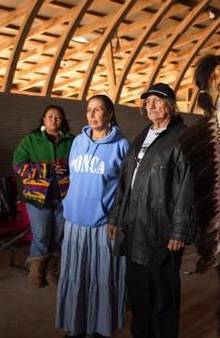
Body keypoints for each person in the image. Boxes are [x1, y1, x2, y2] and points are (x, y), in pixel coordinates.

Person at [108, 83, 195, 338]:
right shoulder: (142, 135)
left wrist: (179, 230)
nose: (151, 105)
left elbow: (187, 189)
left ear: (171, 105)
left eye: (158, 100)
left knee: (164, 293)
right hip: (135, 226)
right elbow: (124, 181)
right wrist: (115, 217)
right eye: (148, 102)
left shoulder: (182, 138)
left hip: (162, 228)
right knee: (138, 292)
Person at [56, 95, 129, 338]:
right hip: (75, 221)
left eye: (98, 110)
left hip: (103, 224)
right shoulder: (78, 142)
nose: (92, 114)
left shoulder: (121, 145)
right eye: (89, 110)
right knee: (76, 276)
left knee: (100, 278)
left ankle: (98, 329)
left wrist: (115, 219)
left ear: (109, 114)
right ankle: (75, 326)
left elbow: (125, 188)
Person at [13, 105, 74, 288]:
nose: (54, 120)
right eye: (50, 117)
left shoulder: (72, 141)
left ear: (62, 120)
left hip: (64, 197)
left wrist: (68, 168)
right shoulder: (31, 140)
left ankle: (50, 272)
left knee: (58, 236)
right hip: (38, 198)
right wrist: (46, 169)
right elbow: (18, 166)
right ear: (43, 120)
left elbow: (79, 164)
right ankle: (36, 273)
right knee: (41, 236)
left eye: (58, 117)